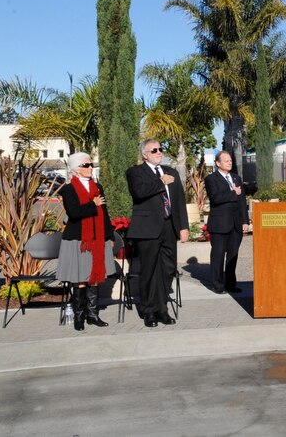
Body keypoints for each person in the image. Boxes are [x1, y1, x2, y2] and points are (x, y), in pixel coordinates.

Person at [126, 139, 189, 328]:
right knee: (149, 270)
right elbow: (139, 192)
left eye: (161, 149)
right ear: (145, 154)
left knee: (167, 269)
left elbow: (178, 201)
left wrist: (183, 226)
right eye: (154, 150)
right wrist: (160, 182)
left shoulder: (171, 172)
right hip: (148, 229)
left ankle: (162, 309)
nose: (159, 152)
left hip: (169, 228)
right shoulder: (136, 172)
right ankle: (148, 311)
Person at [58, 152, 115, 331]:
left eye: (91, 165)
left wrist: (110, 235)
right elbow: (74, 213)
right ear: (76, 169)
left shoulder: (98, 187)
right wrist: (94, 205)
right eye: (86, 165)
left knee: (94, 278)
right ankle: (79, 316)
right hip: (79, 239)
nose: (90, 168)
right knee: (80, 279)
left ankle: (92, 314)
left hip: (98, 239)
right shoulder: (68, 189)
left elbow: (104, 213)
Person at [204, 150, 249, 294]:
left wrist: (245, 220)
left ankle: (230, 283)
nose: (230, 162)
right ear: (218, 163)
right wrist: (232, 193)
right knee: (218, 255)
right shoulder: (211, 179)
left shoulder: (236, 178)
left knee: (233, 255)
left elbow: (242, 201)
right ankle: (217, 284)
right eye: (226, 160)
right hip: (220, 224)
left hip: (236, 224)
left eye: (230, 160)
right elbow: (215, 198)